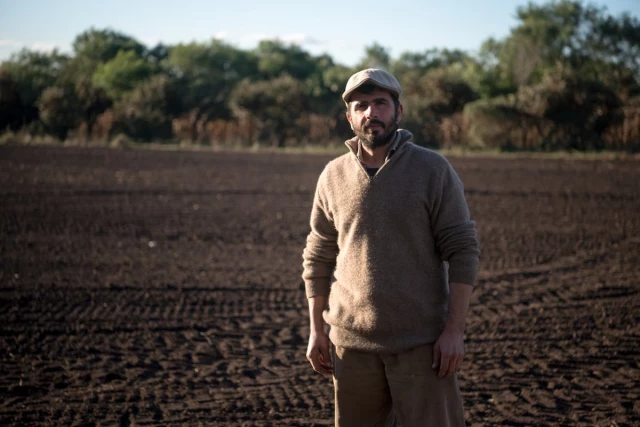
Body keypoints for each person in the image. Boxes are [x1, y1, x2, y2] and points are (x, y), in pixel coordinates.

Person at [302, 68, 480, 426]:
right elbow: (318, 255)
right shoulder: (332, 176)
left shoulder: (433, 170)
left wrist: (453, 332)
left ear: (398, 112)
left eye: (380, 103)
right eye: (361, 105)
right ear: (349, 117)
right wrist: (317, 330)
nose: (371, 113)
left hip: (422, 346)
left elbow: (462, 251)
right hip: (350, 348)